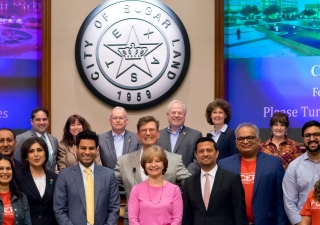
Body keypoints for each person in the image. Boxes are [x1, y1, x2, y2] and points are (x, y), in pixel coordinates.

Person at [114, 116, 191, 223]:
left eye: (152, 130)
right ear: (138, 135)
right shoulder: (123, 161)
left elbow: (190, 185)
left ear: (158, 133)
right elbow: (109, 185)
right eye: (144, 130)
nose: (148, 133)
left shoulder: (174, 159)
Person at [218, 123, 286, 225]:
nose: (245, 141)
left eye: (250, 138)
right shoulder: (224, 164)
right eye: (241, 139)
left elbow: (281, 200)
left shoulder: (274, 163)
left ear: (258, 141)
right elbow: (220, 201)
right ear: (236, 142)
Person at [54, 130, 120, 225]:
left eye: (91, 148)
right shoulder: (64, 175)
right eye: (83, 148)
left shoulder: (108, 175)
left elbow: (114, 208)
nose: (87, 152)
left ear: (97, 149)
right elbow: (59, 209)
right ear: (76, 148)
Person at [183, 137, 248, 225]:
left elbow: (240, 214)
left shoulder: (232, 179)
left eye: (209, 150)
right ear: (196, 155)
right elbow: (187, 216)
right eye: (201, 151)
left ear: (217, 153)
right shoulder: (189, 182)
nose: (205, 154)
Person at [128, 145, 183, 225]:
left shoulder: (174, 190)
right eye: (149, 162)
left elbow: (177, 219)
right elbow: (133, 219)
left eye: (157, 161)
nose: (153, 165)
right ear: (144, 165)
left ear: (164, 164)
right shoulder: (136, 190)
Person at [283, 120, 320, 225]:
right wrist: (300, 223)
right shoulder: (294, 167)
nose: (312, 139)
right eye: (307, 136)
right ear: (303, 139)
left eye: (316, 134)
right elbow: (289, 202)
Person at [15, 137, 58, 225]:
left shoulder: (55, 178)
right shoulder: (17, 177)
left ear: (45, 154)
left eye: (39, 150)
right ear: (26, 156)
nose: (36, 154)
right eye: (31, 151)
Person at [157, 100, 202, 174]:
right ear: (167, 114)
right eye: (173, 112)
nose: (176, 115)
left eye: (180, 113)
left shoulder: (195, 135)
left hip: (186, 181)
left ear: (184, 116)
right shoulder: (158, 135)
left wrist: (184, 177)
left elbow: (197, 160)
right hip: (162, 180)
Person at [14, 107, 58, 172]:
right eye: (38, 120)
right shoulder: (22, 138)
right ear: (31, 122)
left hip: (50, 180)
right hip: (29, 179)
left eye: (44, 119)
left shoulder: (54, 140)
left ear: (48, 120)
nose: (42, 122)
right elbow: (16, 161)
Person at [0, 155, 32, 225]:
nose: (5, 172)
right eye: (1, 168)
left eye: (8, 168)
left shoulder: (21, 197)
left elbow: (27, 223)